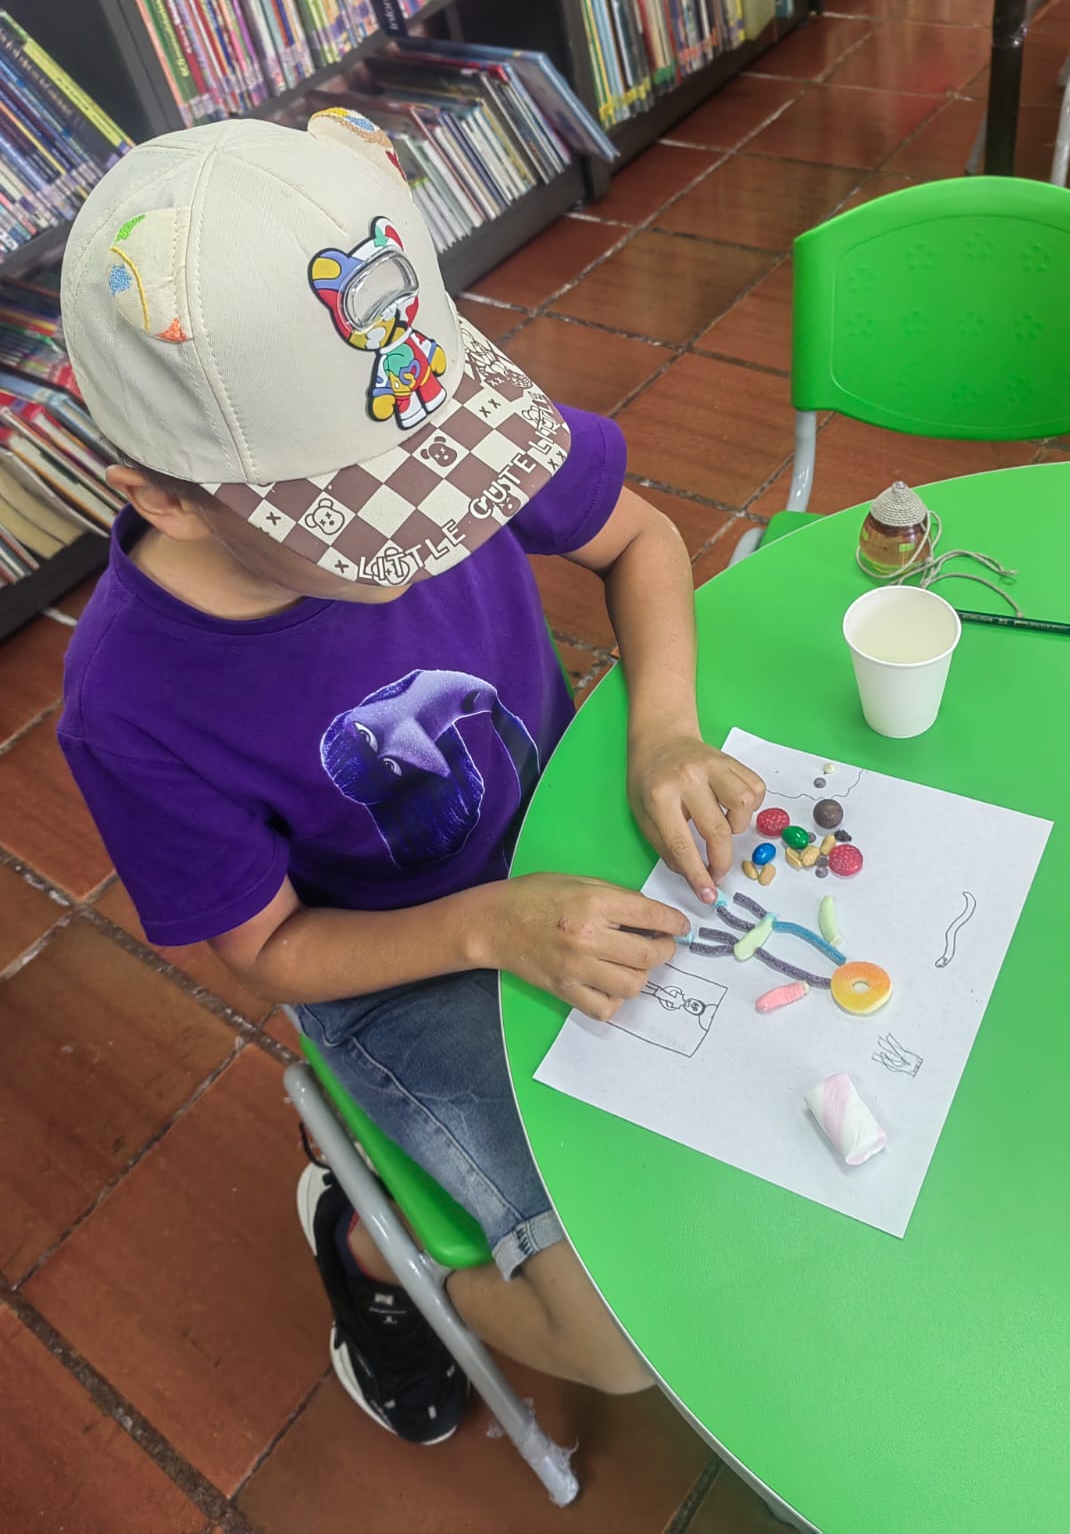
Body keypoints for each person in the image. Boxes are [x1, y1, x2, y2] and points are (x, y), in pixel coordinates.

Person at [57, 109, 765, 1442]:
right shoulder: (131, 705)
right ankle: (373, 1256)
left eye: (440, 470)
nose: (438, 523)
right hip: (403, 970)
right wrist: (494, 925)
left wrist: (663, 729)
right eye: (374, 511)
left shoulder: (414, 408)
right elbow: (267, 955)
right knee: (617, 1345)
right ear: (169, 500)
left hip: (569, 834)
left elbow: (641, 541)